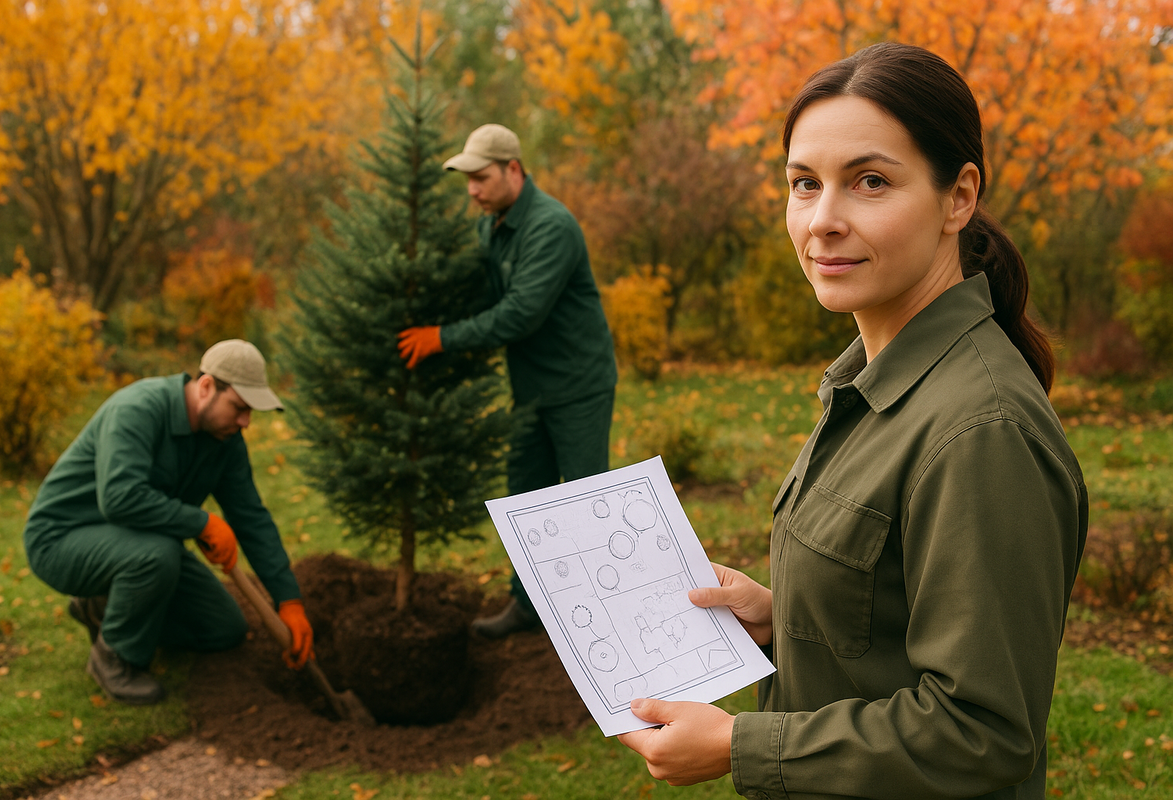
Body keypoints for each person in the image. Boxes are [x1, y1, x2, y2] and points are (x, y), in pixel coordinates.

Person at [618, 42, 1088, 799]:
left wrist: (744, 744)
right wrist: (782, 619)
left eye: (870, 182)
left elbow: (984, 731)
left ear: (958, 197)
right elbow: (897, 609)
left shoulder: (981, 431)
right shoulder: (869, 381)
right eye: (804, 184)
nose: (824, 220)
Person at [397, 123, 618, 638]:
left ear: (513, 170)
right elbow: (481, 294)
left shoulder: (550, 226)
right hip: (530, 388)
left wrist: (441, 338)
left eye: (481, 177)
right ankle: (529, 606)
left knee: (585, 500)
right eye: (467, 180)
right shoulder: (490, 226)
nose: (472, 189)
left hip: (578, 384)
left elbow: (520, 313)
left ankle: (607, 613)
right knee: (526, 496)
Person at [24, 339, 315, 705]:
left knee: (225, 628)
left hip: (135, 544)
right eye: (239, 408)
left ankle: (102, 605)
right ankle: (115, 657)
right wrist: (201, 523)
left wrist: (289, 599)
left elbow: (251, 517)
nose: (246, 422)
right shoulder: (139, 409)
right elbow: (119, 498)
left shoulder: (225, 442)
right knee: (157, 555)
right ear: (207, 387)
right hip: (62, 539)